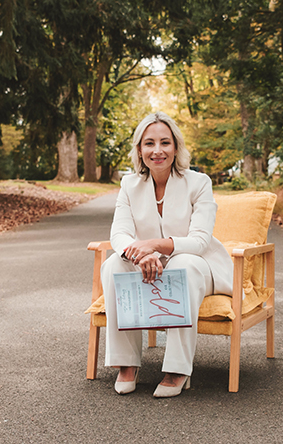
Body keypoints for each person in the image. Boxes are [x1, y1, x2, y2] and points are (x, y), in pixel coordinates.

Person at [101, 111, 235, 398]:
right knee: (113, 263)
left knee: (183, 265)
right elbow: (120, 234)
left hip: (200, 267)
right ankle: (126, 363)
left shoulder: (199, 183)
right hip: (148, 267)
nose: (157, 151)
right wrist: (140, 254)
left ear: (176, 147)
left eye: (165, 142)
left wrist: (154, 245)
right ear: (139, 150)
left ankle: (177, 369)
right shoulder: (128, 185)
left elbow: (199, 241)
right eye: (149, 143)